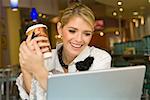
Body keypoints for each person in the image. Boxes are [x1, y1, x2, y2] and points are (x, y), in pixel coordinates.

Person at [16, 3, 112, 100]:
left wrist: (39, 70)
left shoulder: (101, 58)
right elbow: (32, 96)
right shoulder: (46, 58)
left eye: (86, 34)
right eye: (72, 31)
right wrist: (25, 64)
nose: (79, 39)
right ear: (60, 29)